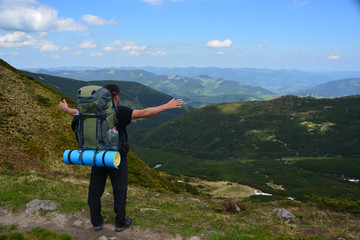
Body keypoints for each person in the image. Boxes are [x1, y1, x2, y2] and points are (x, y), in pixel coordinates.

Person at [59, 84, 183, 232]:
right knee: (120, 190)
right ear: (116, 96)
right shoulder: (118, 111)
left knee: (95, 189)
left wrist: (66, 109)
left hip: (97, 157)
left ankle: (96, 222)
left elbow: (77, 113)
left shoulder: (92, 111)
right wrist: (167, 106)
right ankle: (120, 222)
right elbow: (144, 113)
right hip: (117, 158)